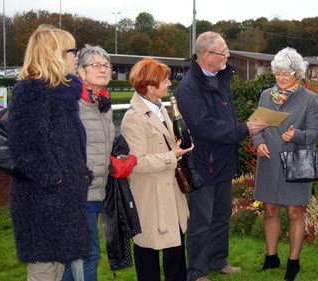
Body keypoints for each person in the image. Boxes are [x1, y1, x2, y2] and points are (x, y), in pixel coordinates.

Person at [173, 31, 268, 281]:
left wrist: (241, 128)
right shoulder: (189, 88)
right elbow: (205, 127)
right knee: (201, 221)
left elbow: (225, 119)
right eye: (223, 51)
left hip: (223, 161)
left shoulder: (219, 79)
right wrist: (243, 129)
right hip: (203, 164)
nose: (227, 55)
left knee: (222, 215)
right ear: (207, 55)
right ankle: (196, 271)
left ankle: (218, 260)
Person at [8, 25, 92, 281]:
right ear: (54, 54)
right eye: (72, 50)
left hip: (62, 197)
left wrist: (77, 175)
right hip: (42, 200)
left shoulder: (63, 93)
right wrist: (55, 179)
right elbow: (27, 147)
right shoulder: (31, 92)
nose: (76, 56)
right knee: (44, 270)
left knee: (55, 266)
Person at [252, 47, 318, 281]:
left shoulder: (310, 99)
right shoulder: (265, 96)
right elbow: (256, 125)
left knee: (294, 212)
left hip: (295, 161)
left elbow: (316, 133)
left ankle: (294, 262)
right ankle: (271, 258)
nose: (281, 78)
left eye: (286, 73)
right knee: (270, 210)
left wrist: (297, 136)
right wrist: (258, 141)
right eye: (277, 73)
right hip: (269, 160)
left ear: (298, 74)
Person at [120, 57, 194, 281]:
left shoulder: (161, 108)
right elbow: (137, 162)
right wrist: (172, 156)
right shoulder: (133, 118)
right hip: (151, 197)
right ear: (151, 87)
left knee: (176, 253)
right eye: (165, 81)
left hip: (170, 193)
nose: (170, 83)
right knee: (148, 253)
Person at [61, 44, 115, 281]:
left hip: (97, 192)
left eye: (106, 65)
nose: (103, 69)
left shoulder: (102, 104)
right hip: (78, 192)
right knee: (87, 254)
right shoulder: (74, 103)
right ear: (81, 71)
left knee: (76, 257)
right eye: (96, 65)